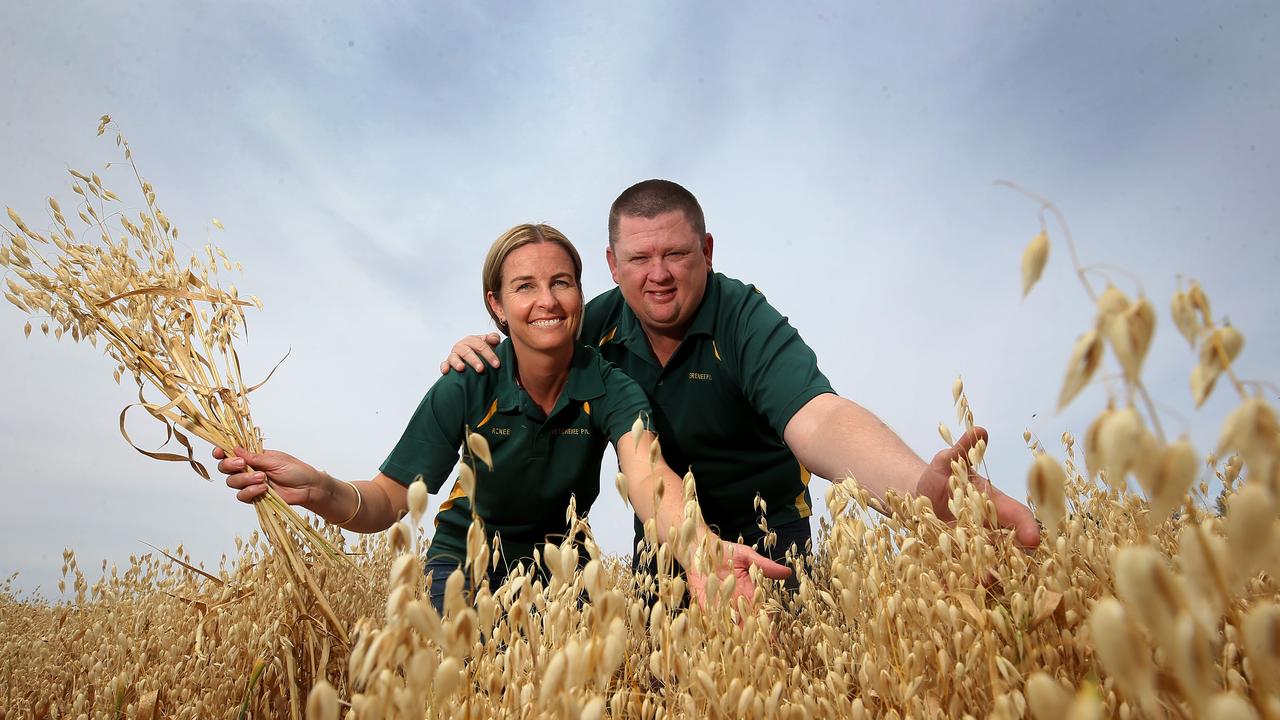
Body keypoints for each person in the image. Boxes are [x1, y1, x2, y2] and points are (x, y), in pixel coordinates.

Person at [441, 182, 1041, 579]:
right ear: (611, 264)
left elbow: (821, 419)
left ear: (706, 250)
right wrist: (478, 350)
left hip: (772, 531)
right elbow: (531, 353)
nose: (659, 276)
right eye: (639, 260)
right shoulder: (590, 325)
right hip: (672, 539)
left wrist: (919, 490)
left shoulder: (744, 317)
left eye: (676, 254)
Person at [218, 223, 790, 613]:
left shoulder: (614, 387)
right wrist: (319, 488)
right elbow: (389, 501)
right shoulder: (467, 384)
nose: (547, 300)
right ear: (496, 303)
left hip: (566, 563)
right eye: (525, 287)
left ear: (580, 293)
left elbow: (648, 478)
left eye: (561, 283)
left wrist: (701, 548)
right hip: (463, 563)